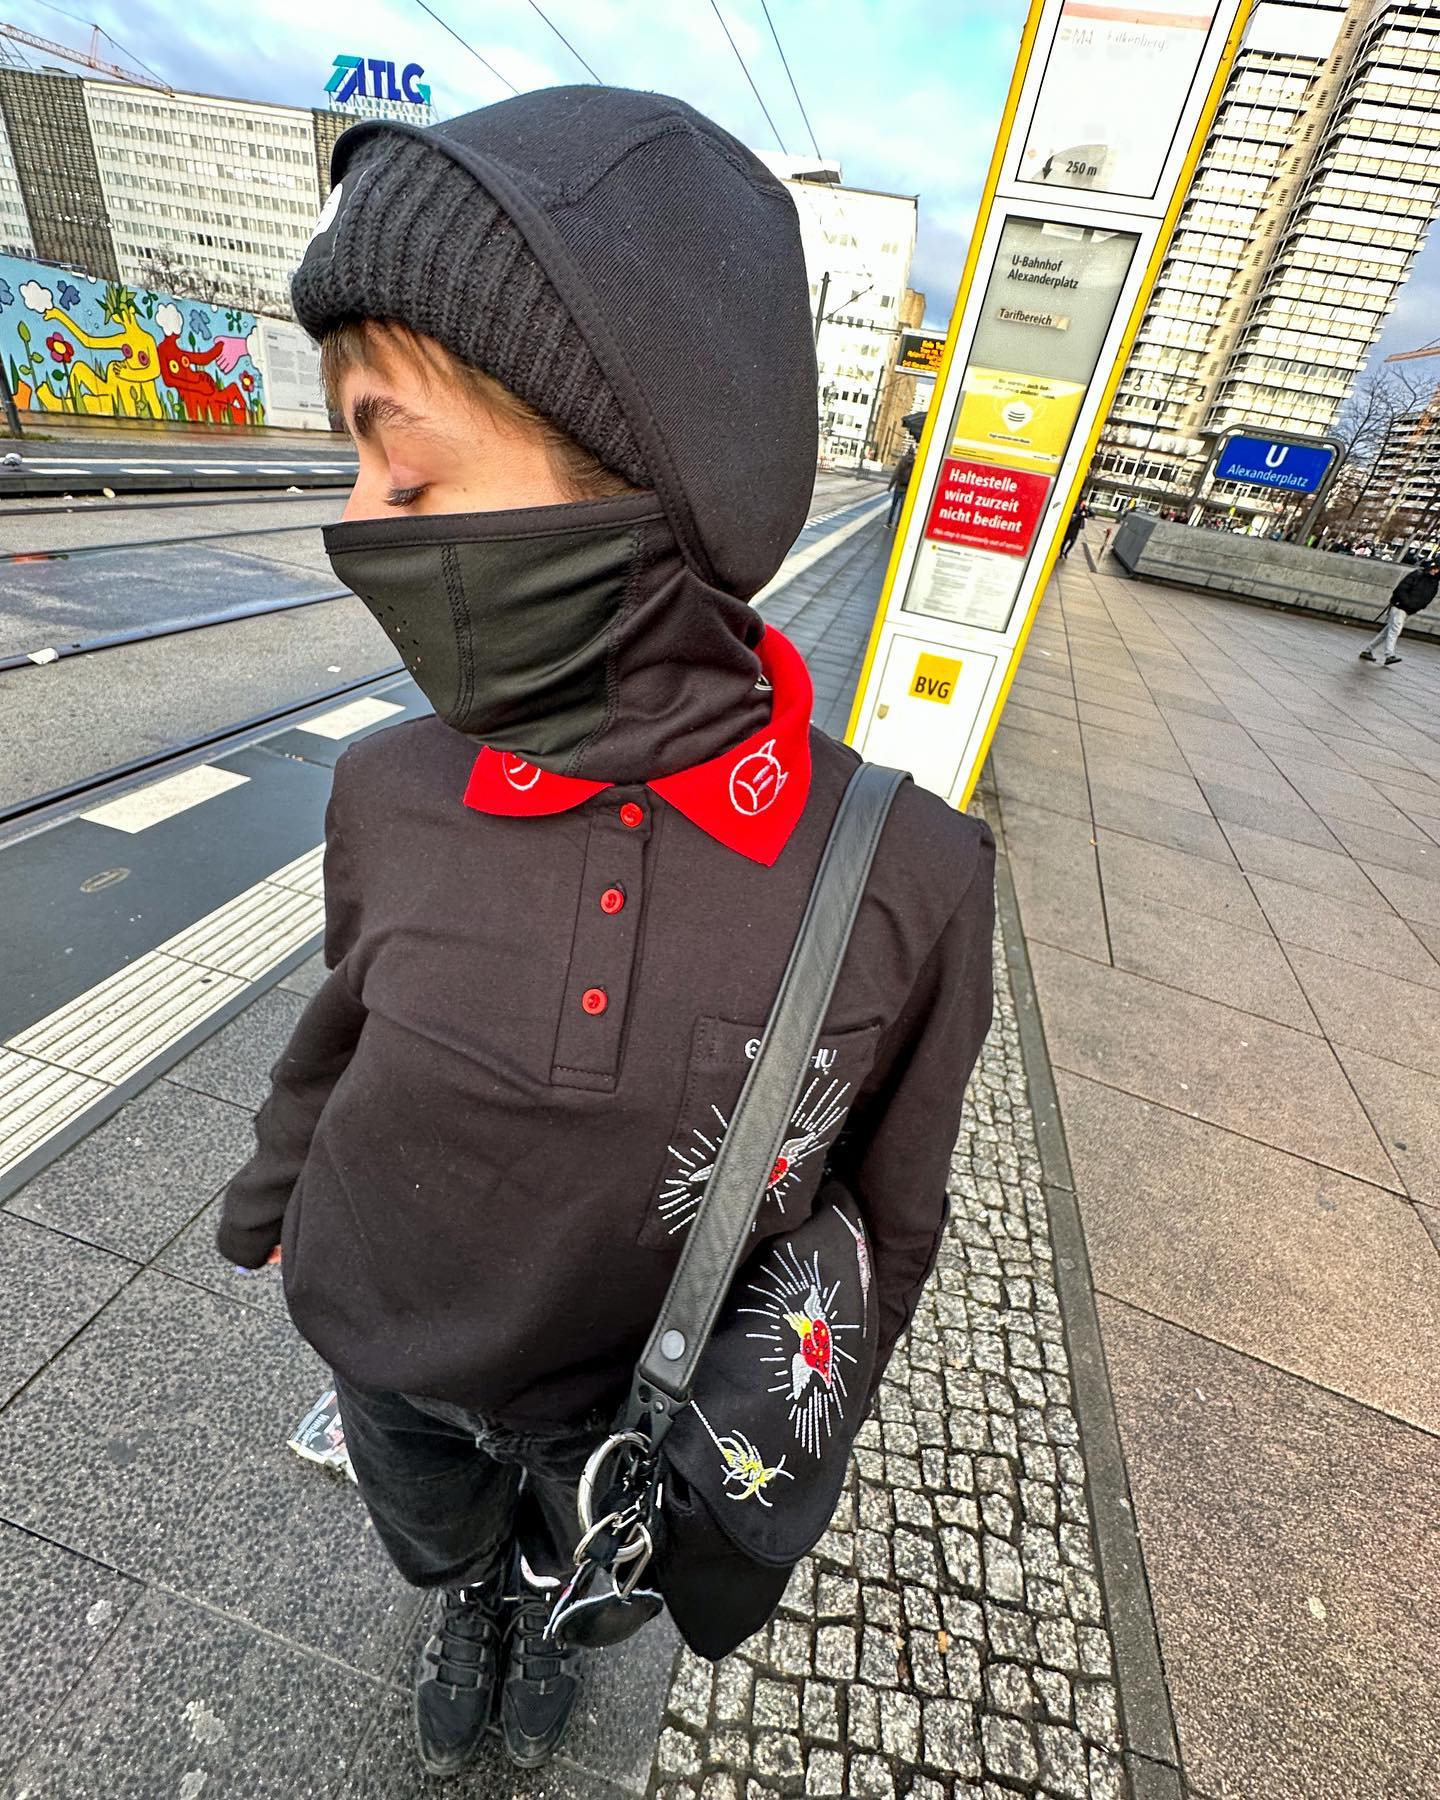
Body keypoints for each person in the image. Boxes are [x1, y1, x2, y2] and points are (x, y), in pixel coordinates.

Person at [216, 87, 994, 1780]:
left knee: (586, 1569)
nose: (360, 517)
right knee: (437, 1529)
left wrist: (767, 1455)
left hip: (623, 1411)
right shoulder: (391, 786)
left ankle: (548, 1600)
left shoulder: (908, 876)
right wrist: (273, 1202)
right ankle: (461, 1595)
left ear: (652, 465)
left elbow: (891, 1220)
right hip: (391, 1348)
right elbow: (339, 1022)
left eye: (400, 456)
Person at [1358, 558, 1440, 666]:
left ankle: (1368, 650)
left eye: (1437, 569)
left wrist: (1416, 607)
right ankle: (1389, 655)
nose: (1435, 571)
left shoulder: (1434, 583)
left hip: (1409, 609)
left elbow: (1428, 598)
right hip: (1400, 606)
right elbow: (1401, 589)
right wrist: (1408, 603)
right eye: (1434, 568)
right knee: (1395, 629)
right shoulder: (1417, 575)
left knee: (1388, 631)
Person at [886, 441, 915, 526]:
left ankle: (889, 522)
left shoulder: (902, 461)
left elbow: (896, 474)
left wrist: (890, 486)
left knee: (894, 506)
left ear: (907, 452)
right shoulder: (914, 463)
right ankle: (898, 524)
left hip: (898, 487)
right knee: (902, 508)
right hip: (906, 489)